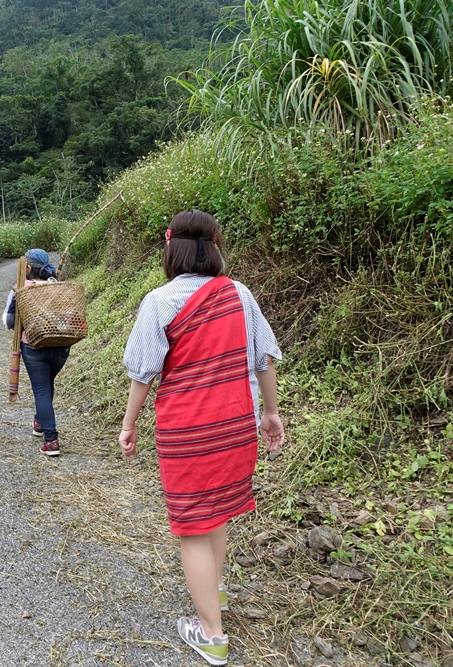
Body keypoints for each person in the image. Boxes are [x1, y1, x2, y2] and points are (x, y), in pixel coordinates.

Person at [118, 210, 285, 666]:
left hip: (188, 431)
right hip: (236, 426)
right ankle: (216, 593)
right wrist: (270, 413)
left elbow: (143, 372)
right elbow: (264, 359)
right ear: (215, 247)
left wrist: (129, 425)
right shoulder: (241, 294)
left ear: (170, 250)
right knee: (219, 513)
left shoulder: (159, 302)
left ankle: (211, 634)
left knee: (192, 524)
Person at [3, 249, 70, 456]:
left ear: (28, 268)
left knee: (41, 390)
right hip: (61, 347)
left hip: (34, 348)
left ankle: (51, 441)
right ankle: (40, 422)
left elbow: (8, 321)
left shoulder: (20, 289)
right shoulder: (57, 286)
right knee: (47, 385)